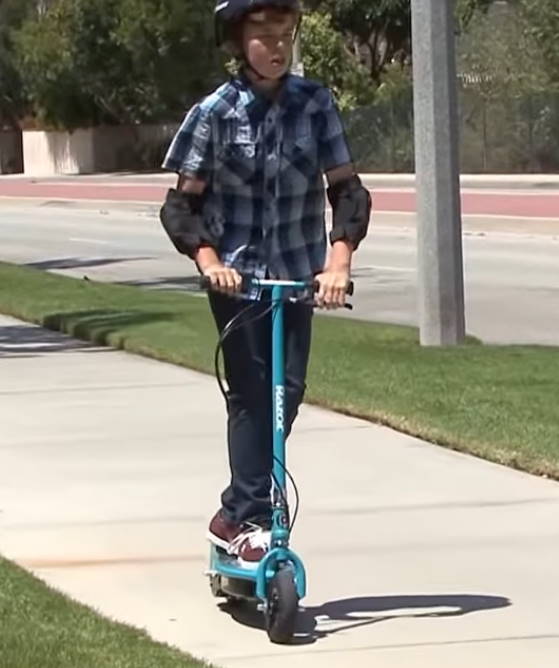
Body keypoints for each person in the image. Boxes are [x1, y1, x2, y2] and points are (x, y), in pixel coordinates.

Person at [160, 0, 371, 568]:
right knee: (253, 395)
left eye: (284, 34)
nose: (277, 46)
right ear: (236, 42)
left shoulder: (316, 103)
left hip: (298, 274)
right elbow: (182, 206)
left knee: (288, 394)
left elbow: (348, 191)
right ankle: (252, 517)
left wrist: (339, 261)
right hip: (235, 279)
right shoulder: (215, 113)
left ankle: (234, 509)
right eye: (263, 35)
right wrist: (208, 260)